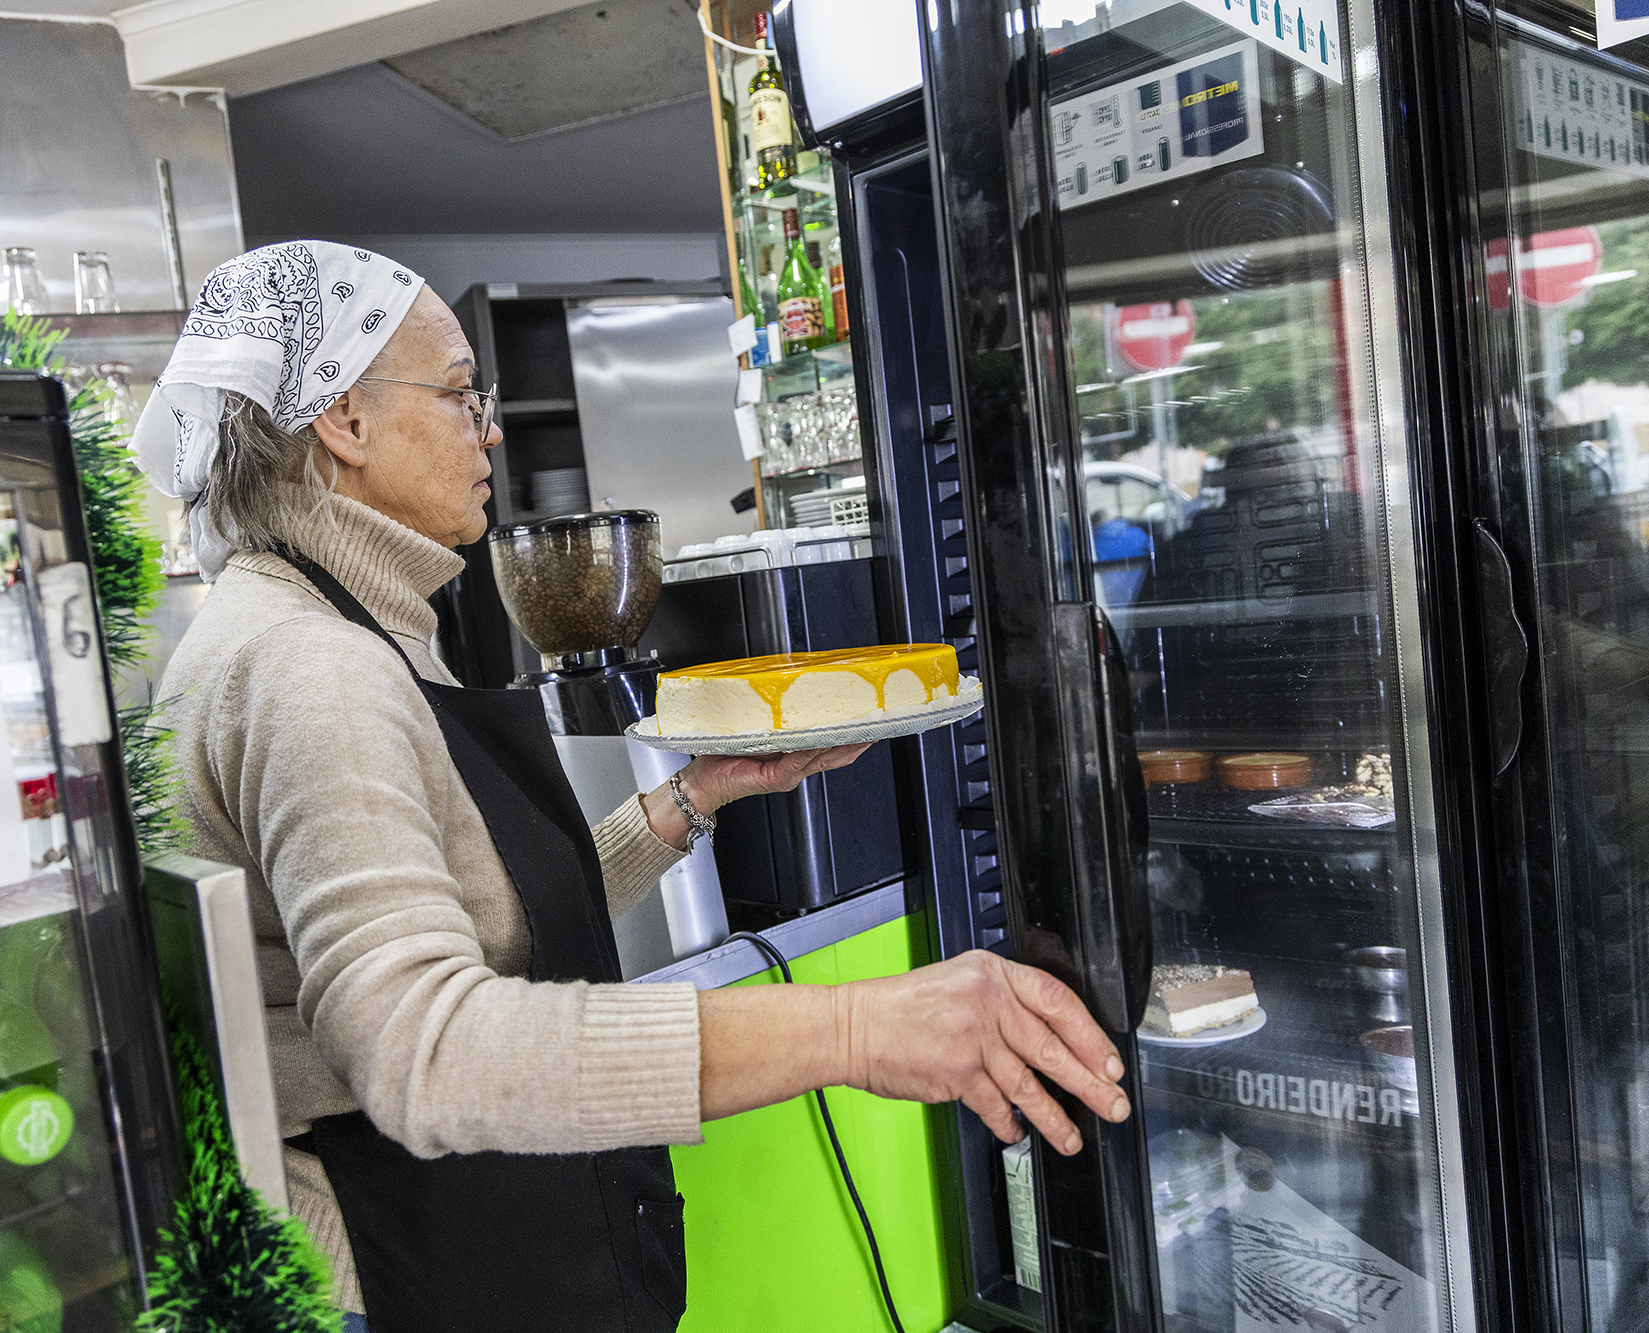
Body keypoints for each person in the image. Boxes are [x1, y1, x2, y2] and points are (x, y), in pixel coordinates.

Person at [141, 242, 1132, 1333]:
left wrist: (688, 801)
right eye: (461, 390)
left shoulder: (307, 624)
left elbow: (470, 913)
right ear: (344, 420)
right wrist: (858, 1028)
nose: (489, 426)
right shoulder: (310, 667)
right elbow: (422, 1049)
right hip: (390, 1268)